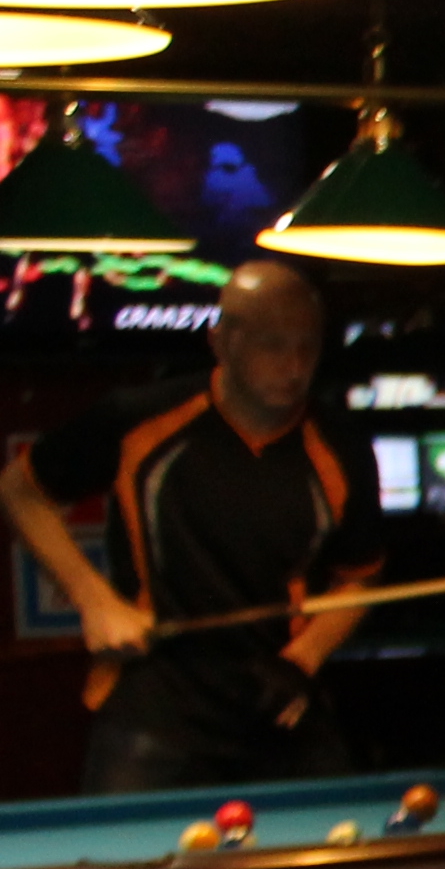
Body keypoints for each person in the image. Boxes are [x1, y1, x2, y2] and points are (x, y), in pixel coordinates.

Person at [2, 257, 381, 795]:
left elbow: (359, 579)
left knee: (343, 843)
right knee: (123, 851)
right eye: (273, 346)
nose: (294, 366)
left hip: (278, 702)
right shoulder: (139, 421)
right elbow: (18, 490)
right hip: (155, 707)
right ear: (221, 342)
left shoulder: (341, 446)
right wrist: (94, 599)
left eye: (308, 347)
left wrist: (305, 658)